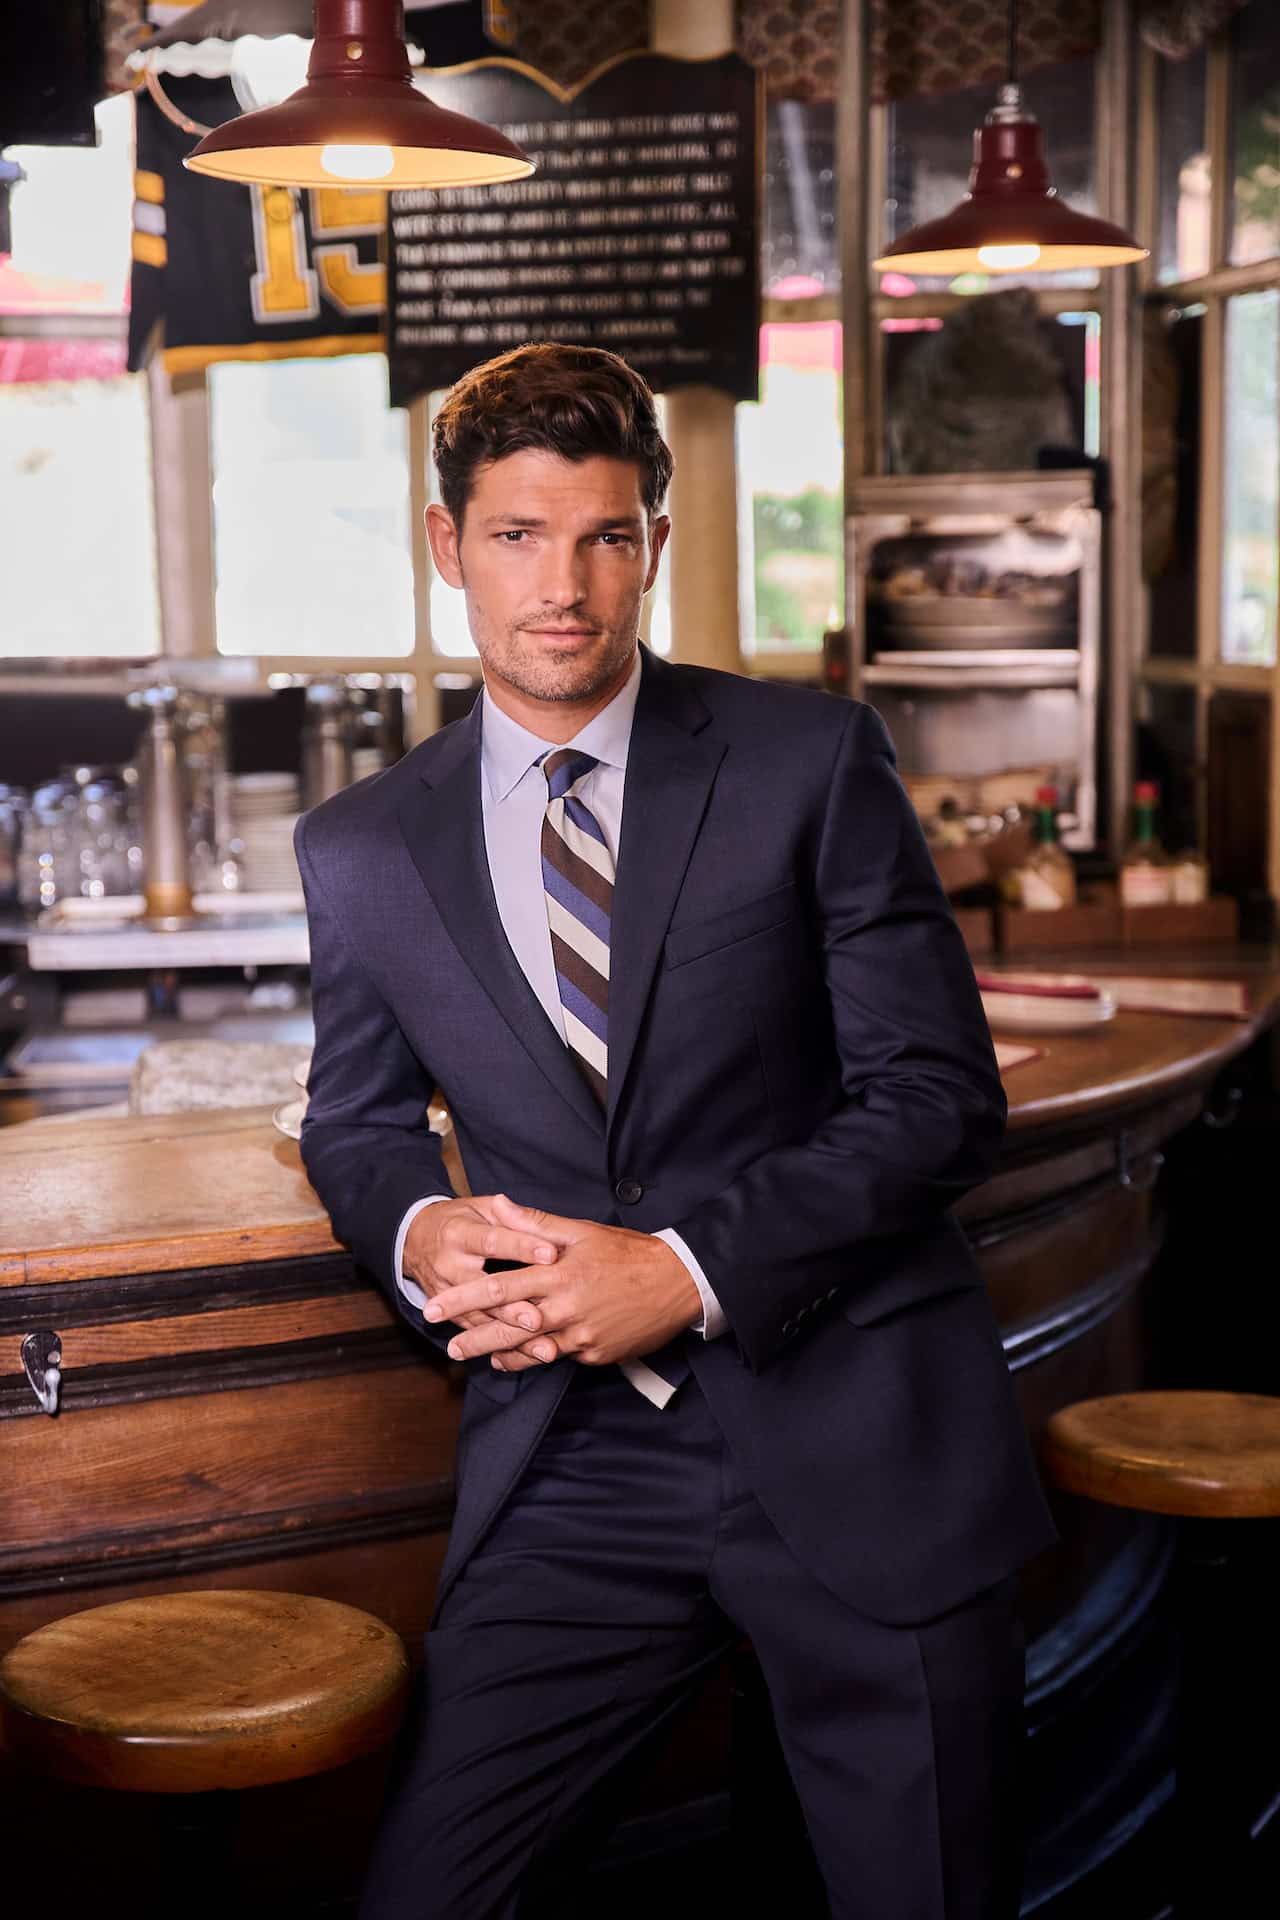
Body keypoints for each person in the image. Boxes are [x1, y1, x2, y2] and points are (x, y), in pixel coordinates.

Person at [295, 342, 1057, 1920]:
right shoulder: (362, 847)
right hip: (574, 1462)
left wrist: (689, 1268)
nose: (562, 585)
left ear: (651, 541)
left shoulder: (806, 758)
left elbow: (937, 1096)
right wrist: (422, 1232)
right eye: (517, 535)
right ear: (449, 547)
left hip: (854, 1425)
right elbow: (357, 1121)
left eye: (605, 535)